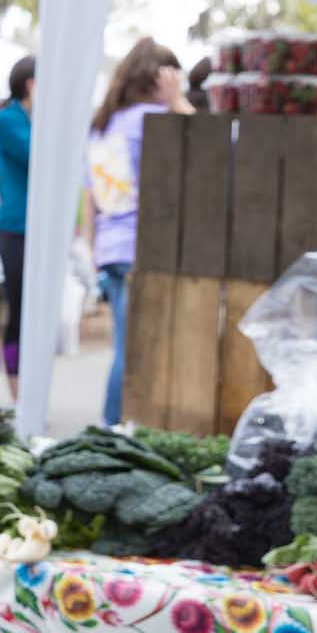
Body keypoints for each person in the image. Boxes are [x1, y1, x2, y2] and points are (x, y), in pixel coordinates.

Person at [85, 38, 192, 425]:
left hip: (112, 252)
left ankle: (115, 428)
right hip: (141, 249)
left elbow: (90, 200)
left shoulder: (103, 126)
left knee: (125, 347)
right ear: (159, 78)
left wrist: (93, 252)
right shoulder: (152, 119)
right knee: (134, 352)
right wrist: (177, 100)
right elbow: (214, 143)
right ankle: (113, 431)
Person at [0, 55, 34, 392]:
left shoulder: (31, 120)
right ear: (31, 84)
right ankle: (17, 387)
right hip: (16, 229)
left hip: (37, 231)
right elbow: (38, 154)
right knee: (19, 309)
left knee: (37, 311)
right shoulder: (7, 120)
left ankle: (30, 382)